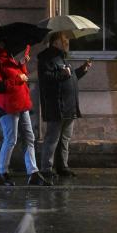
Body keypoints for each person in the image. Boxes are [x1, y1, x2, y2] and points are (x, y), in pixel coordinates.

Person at [0, 43, 49, 186]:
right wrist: (18, 78)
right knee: (11, 139)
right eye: (3, 43)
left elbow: (20, 76)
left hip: (21, 103)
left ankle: (33, 173)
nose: (7, 45)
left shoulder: (10, 58)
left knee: (29, 137)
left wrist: (22, 65)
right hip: (6, 106)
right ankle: (2, 173)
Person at [37, 32, 92, 182]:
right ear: (55, 42)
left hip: (69, 106)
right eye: (64, 40)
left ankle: (62, 166)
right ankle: (46, 169)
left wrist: (82, 70)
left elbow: (70, 77)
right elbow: (46, 79)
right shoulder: (46, 58)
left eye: (67, 40)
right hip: (56, 105)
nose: (67, 42)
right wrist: (63, 74)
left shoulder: (63, 57)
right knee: (52, 138)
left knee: (65, 138)